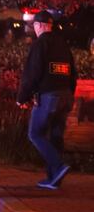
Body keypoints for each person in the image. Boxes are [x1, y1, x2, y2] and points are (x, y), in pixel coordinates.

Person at [16, 10, 77, 190]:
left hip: (49, 97)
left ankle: (58, 166)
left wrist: (22, 98)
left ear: (40, 25)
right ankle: (53, 179)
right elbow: (73, 73)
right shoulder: (63, 45)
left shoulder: (40, 44)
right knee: (56, 136)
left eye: (34, 26)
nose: (34, 29)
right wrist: (69, 93)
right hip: (66, 96)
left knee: (35, 133)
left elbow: (32, 74)